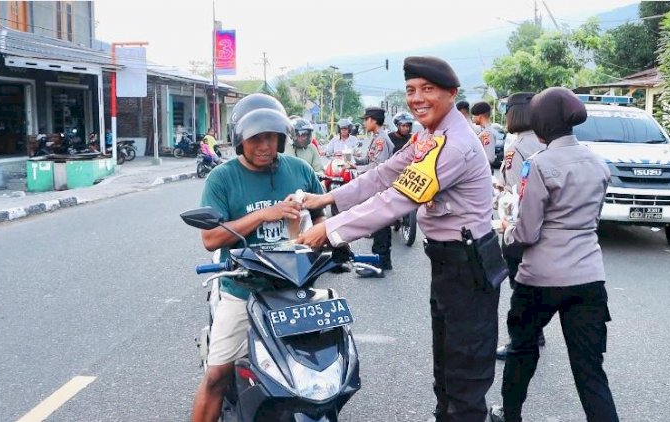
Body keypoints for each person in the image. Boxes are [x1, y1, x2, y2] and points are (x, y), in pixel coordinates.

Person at [295, 56, 500, 421]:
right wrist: (329, 199)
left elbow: (398, 198)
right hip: (447, 261)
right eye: (410, 90)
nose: (417, 98)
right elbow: (386, 172)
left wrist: (329, 229)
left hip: (468, 266)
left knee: (465, 377)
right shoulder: (428, 133)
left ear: (452, 94)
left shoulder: (454, 145)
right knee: (446, 371)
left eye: (428, 89)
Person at [192, 93, 326, 422]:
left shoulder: (299, 170)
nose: (265, 146)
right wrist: (264, 214)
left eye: (273, 137)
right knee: (217, 375)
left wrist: (323, 238)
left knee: (322, 369)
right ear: (240, 139)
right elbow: (210, 238)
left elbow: (322, 215)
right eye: (257, 138)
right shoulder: (222, 178)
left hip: (294, 289)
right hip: (244, 291)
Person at [488, 87, 618, 422]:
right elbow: (592, 220)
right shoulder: (598, 164)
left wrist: (506, 229)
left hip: (540, 279)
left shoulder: (539, 165)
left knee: (523, 352)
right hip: (589, 277)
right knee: (590, 370)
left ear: (542, 124)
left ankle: (510, 414)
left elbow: (528, 231)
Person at [494, 92, 546, 360]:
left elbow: (517, 194)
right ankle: (535, 332)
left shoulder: (516, 146)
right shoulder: (544, 141)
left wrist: (508, 226)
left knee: (519, 281)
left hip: (519, 224)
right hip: (545, 223)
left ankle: (522, 339)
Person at [354, 106, 396, 277]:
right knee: (379, 225)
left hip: (380, 186)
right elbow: (370, 159)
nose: (365, 123)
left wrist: (361, 170)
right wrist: (355, 162)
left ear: (373, 120)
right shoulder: (377, 138)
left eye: (366, 119)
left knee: (381, 226)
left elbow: (379, 167)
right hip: (376, 185)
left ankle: (381, 264)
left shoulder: (381, 140)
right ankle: (382, 261)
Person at [472, 101, 497, 165]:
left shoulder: (487, 133)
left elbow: (490, 158)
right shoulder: (483, 130)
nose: (472, 118)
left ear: (480, 117)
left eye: (474, 115)